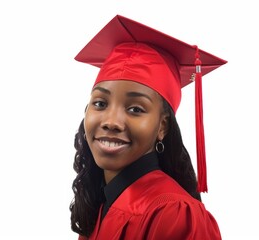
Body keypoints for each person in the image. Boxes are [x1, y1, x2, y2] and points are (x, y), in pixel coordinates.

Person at [69, 15, 227, 240]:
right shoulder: (100, 202)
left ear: (162, 126)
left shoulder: (173, 213)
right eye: (100, 103)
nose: (111, 121)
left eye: (135, 109)